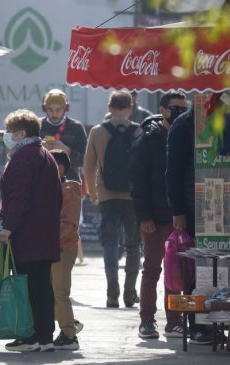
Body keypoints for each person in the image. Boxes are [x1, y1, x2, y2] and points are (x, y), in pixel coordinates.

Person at [0, 109, 62, 352]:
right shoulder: (45, 155)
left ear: (21, 133)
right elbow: (57, 198)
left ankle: (33, 336)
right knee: (42, 286)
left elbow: (18, 197)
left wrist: (8, 227)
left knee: (29, 288)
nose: (7, 136)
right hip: (45, 234)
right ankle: (45, 337)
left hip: (28, 236)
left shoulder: (23, 157)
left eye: (10, 132)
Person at [130, 92, 188, 339]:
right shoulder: (147, 140)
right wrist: (144, 216)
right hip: (153, 217)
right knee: (152, 269)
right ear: (163, 109)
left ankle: (174, 319)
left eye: (182, 108)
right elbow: (138, 182)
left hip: (177, 217)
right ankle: (147, 320)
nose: (179, 112)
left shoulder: (184, 134)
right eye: (175, 108)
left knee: (175, 271)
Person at [83, 91, 142, 308]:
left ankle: (112, 290)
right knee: (133, 244)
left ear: (109, 108)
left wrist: (92, 192)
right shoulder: (138, 131)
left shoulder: (98, 132)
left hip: (106, 195)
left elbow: (89, 165)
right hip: (133, 196)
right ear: (130, 108)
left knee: (110, 241)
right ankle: (129, 291)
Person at [166, 105, 213, 345]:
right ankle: (196, 325)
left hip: (218, 208)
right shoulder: (183, 125)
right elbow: (173, 172)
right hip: (192, 210)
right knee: (194, 272)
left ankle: (214, 322)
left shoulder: (223, 119)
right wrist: (178, 211)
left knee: (216, 269)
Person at [49, 149, 82, 351]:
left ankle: (69, 333)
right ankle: (69, 323)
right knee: (53, 293)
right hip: (54, 248)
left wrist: (46, 241)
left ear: (59, 168)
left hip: (61, 248)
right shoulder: (55, 188)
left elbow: (68, 224)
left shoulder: (68, 190)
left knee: (60, 293)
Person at [40, 89, 88, 182]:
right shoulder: (36, 125)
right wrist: (39, 149)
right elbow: (26, 158)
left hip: (70, 184)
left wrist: (67, 150)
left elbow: (85, 161)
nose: (54, 114)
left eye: (58, 110)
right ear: (44, 109)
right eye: (50, 110)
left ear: (65, 109)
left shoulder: (76, 127)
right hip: (42, 182)